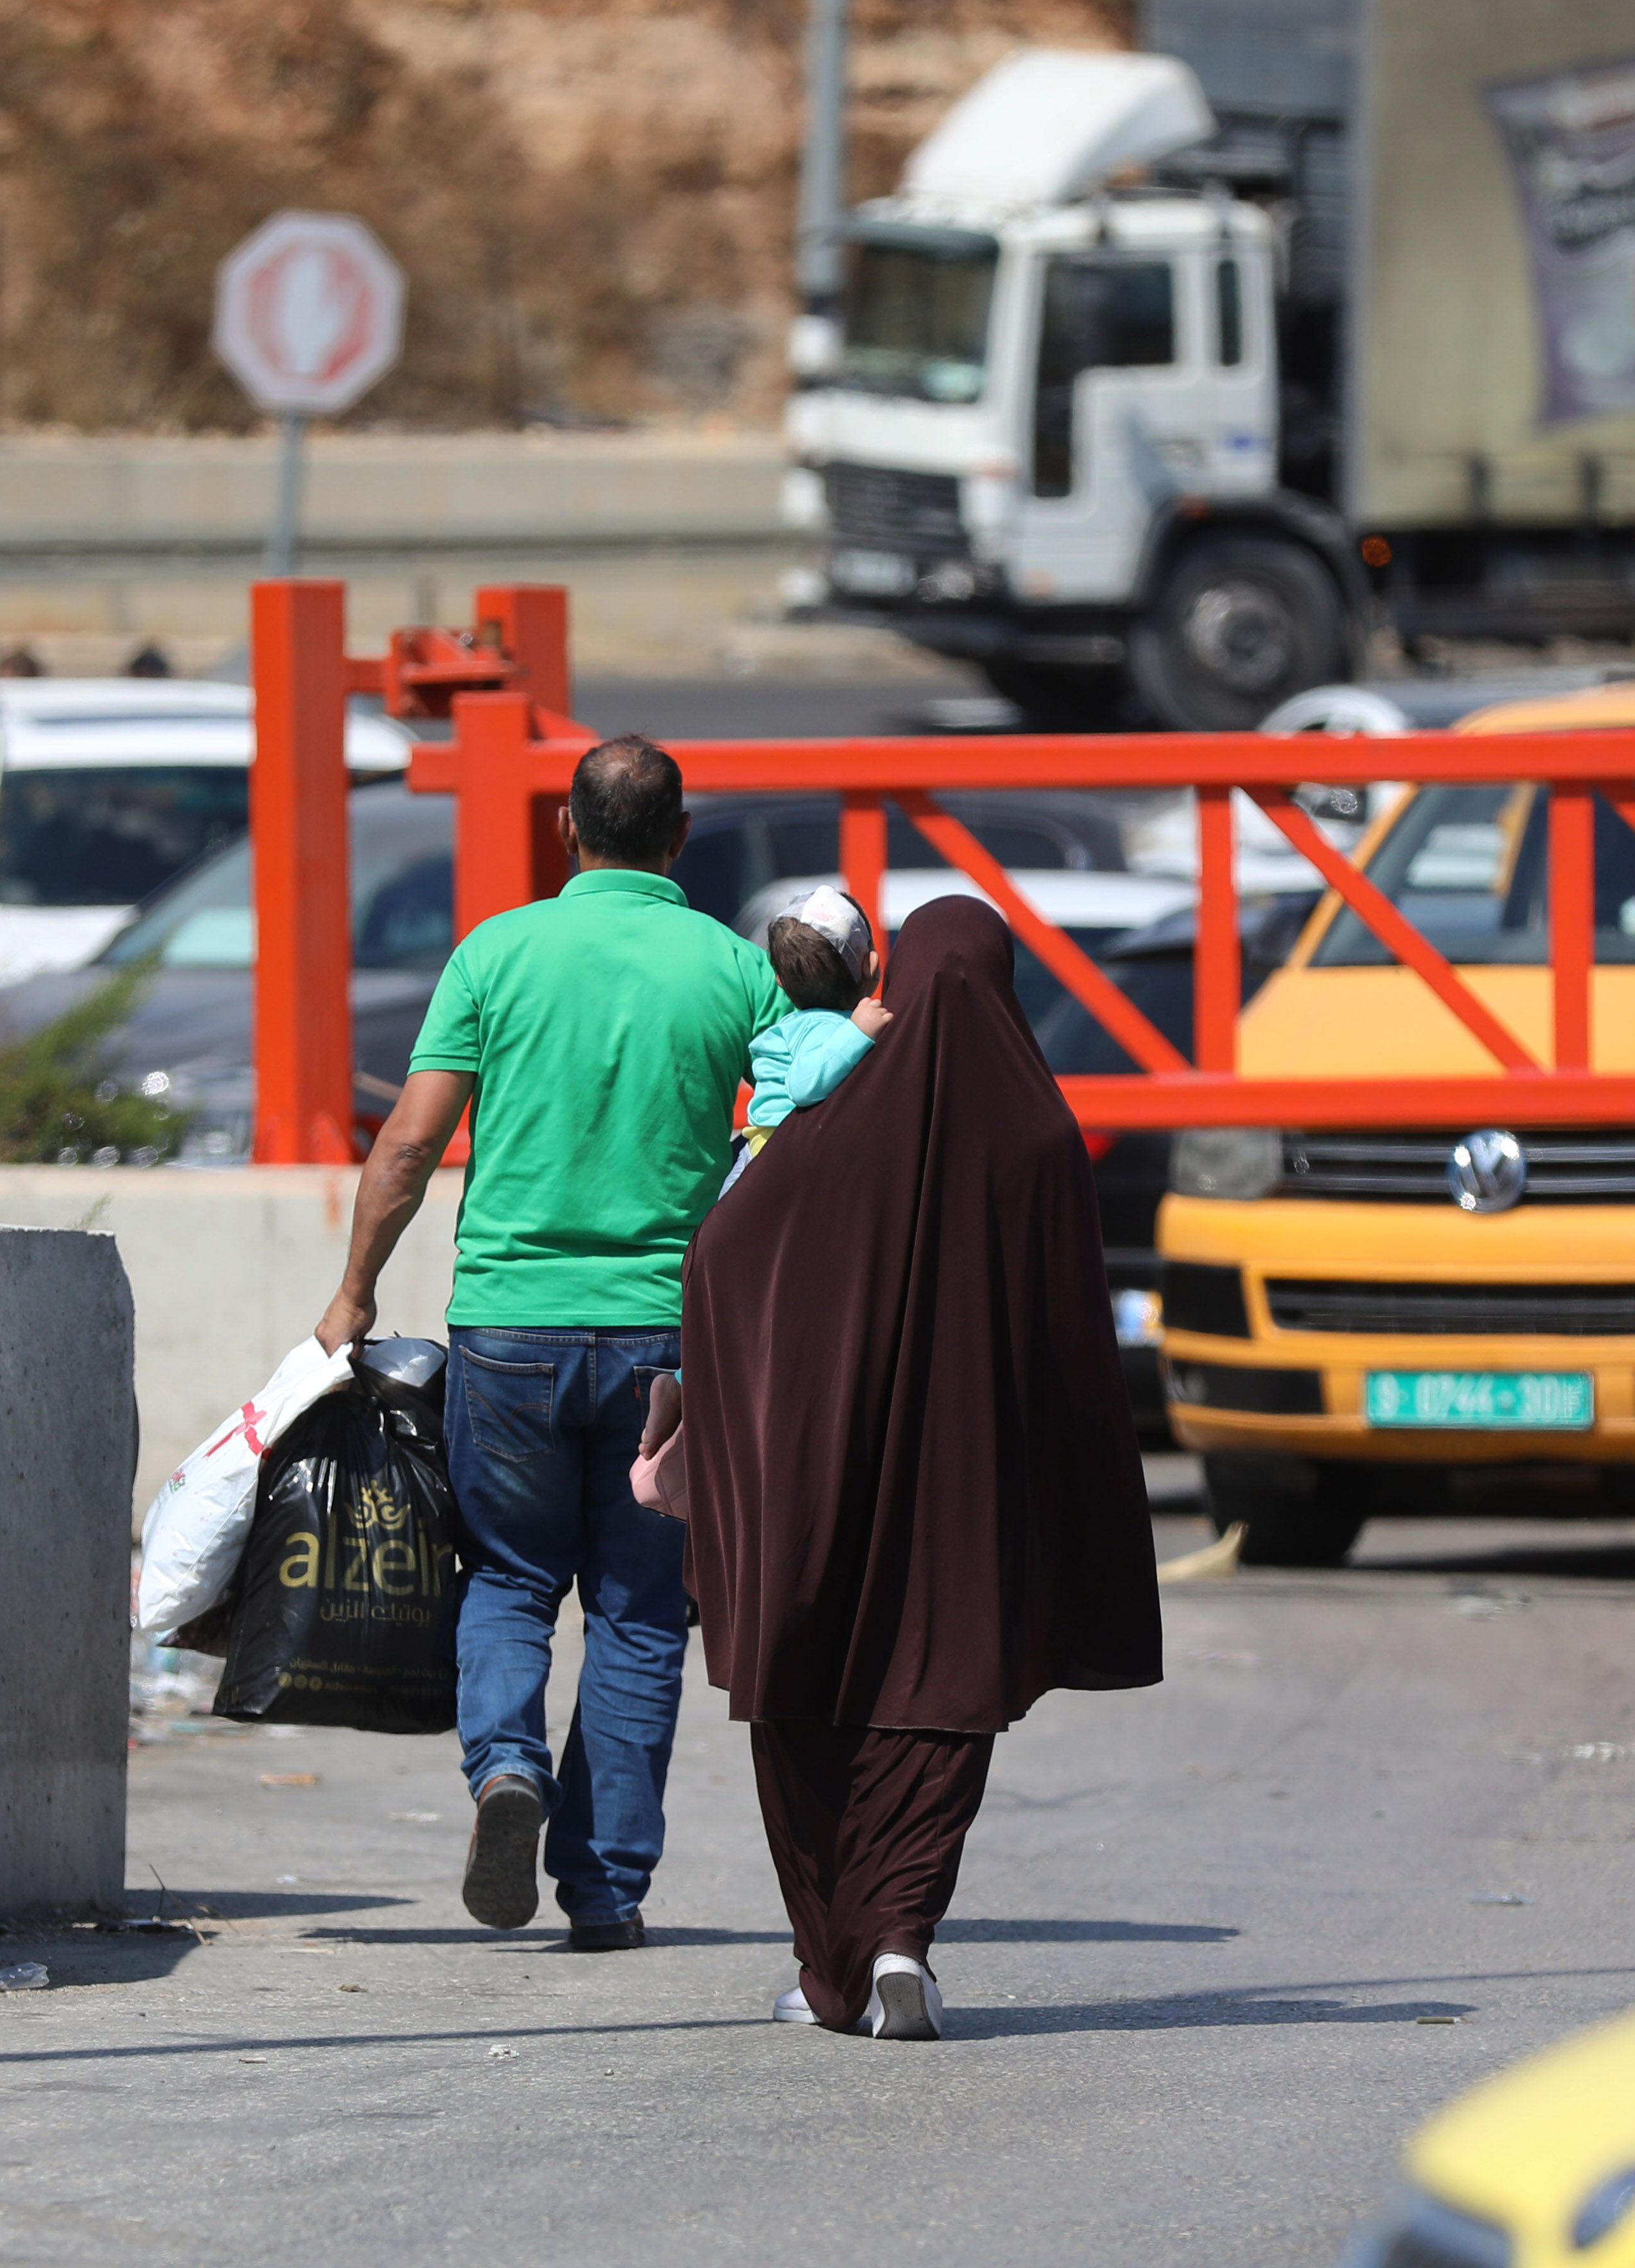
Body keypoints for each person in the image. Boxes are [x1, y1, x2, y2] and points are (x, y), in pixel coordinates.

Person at [315, 735, 787, 1952]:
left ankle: (506, 1770)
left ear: (565, 834)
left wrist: (356, 1291)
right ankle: (607, 1891)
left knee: (512, 1577)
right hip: (666, 1343)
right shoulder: (736, 970)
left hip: (510, 1328)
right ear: (681, 839)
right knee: (637, 1612)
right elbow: (800, 1142)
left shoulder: (499, 952)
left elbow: (410, 1145)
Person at [679, 897, 1163, 2038]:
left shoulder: (834, 1127)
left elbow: (721, 1258)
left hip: (823, 1477)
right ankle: (899, 1935)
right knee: (942, 1693)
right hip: (969, 1487)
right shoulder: (1040, 1133)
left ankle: (828, 1965)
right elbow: (1068, 1336)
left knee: (805, 1691)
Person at [726, 887, 893, 1192]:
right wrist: (857, 1033)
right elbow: (804, 1086)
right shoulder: (832, 1029)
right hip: (779, 1157)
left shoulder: (795, 1027)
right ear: (872, 965)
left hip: (765, 1153)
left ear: (779, 981)